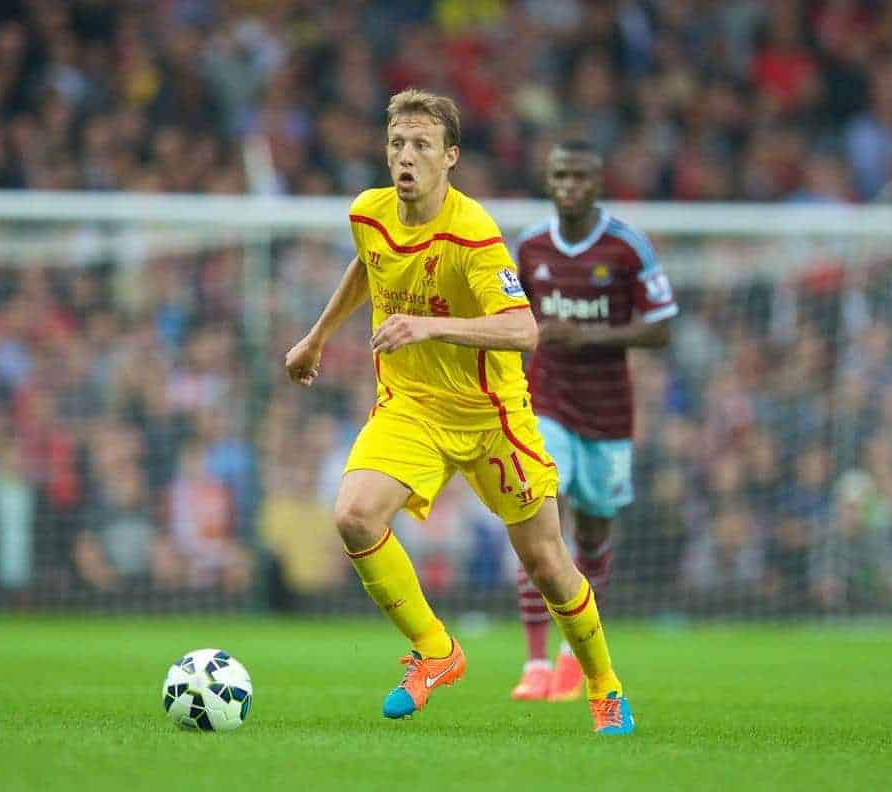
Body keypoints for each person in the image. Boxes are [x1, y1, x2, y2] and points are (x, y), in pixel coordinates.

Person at [285, 90, 634, 734]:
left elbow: (524, 330)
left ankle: (605, 685)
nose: (405, 157)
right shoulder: (369, 213)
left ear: (451, 157)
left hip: (490, 417)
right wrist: (317, 337)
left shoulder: (473, 233)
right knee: (355, 518)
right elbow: (369, 266)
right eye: (396, 144)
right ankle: (436, 651)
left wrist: (426, 326)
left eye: (421, 145)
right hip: (411, 407)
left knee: (549, 567)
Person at [510, 140, 677, 701]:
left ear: (598, 180)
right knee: (540, 515)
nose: (569, 186)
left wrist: (589, 337)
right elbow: (510, 317)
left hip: (608, 413)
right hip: (546, 400)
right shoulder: (530, 247)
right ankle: (534, 662)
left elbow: (660, 327)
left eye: (580, 176)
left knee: (594, 533)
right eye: (560, 175)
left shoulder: (627, 247)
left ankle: (572, 653)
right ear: (548, 179)